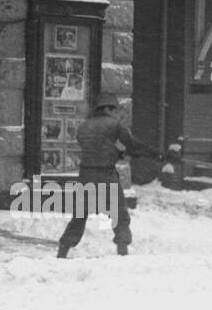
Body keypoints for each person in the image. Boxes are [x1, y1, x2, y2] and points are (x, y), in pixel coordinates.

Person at [57, 94, 162, 258]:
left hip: (85, 176)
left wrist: (116, 153)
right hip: (106, 175)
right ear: (107, 109)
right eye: (115, 110)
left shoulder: (84, 126)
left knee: (79, 215)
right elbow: (133, 145)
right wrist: (156, 154)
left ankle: (63, 250)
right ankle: (122, 251)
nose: (116, 114)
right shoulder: (115, 125)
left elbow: (96, 147)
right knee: (119, 214)